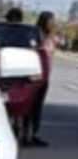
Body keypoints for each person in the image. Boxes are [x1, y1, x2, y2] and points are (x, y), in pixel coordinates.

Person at [25, 11, 59, 147]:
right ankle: (25, 133)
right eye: (52, 20)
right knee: (30, 105)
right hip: (34, 75)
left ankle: (33, 134)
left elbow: (54, 46)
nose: (54, 23)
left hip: (45, 75)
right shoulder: (37, 34)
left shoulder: (50, 36)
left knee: (37, 106)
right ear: (45, 21)